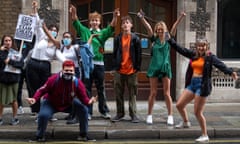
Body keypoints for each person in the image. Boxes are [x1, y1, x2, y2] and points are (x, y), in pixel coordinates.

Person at [167, 36, 238, 143]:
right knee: (179, 105)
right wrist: (170, 40)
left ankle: (205, 135)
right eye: (199, 46)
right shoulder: (193, 54)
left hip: (202, 85)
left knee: (197, 112)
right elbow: (180, 49)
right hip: (192, 84)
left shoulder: (210, 57)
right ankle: (186, 122)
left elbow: (221, 65)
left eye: (203, 46)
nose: (201, 48)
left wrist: (230, 72)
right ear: (196, 47)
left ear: (206, 46)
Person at [26, 60, 97, 142]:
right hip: (51, 103)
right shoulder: (53, 79)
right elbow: (42, 90)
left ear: (74, 71)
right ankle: (39, 136)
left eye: (71, 71)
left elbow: (83, 98)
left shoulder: (77, 82)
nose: (68, 72)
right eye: (66, 70)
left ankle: (83, 135)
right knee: (43, 115)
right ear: (62, 70)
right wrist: (34, 98)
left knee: (84, 110)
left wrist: (89, 102)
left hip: (68, 104)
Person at [69, 5, 120, 120]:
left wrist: (114, 17)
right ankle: (88, 111)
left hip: (99, 64)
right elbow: (76, 22)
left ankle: (104, 110)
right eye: (92, 20)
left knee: (101, 88)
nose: (94, 22)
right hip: (87, 65)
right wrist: (74, 12)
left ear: (99, 22)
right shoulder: (85, 31)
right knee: (86, 88)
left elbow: (112, 26)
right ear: (90, 22)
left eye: (96, 20)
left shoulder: (103, 33)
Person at [26, 1, 66, 115]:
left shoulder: (57, 45)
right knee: (33, 88)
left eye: (55, 31)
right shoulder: (41, 37)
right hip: (33, 64)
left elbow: (60, 57)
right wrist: (35, 9)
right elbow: (38, 23)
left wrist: (68, 63)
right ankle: (36, 111)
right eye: (51, 30)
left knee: (46, 88)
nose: (53, 32)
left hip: (44, 66)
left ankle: (47, 109)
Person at [137, 9, 174, 125]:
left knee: (167, 93)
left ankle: (170, 115)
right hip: (154, 67)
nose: (159, 31)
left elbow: (174, 28)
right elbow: (148, 28)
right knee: (153, 93)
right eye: (158, 30)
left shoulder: (168, 39)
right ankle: (149, 115)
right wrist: (142, 18)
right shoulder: (154, 39)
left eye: (161, 29)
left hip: (165, 68)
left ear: (165, 30)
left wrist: (181, 17)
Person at [111, 15, 142, 123]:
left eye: (127, 22)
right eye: (123, 23)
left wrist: (137, 68)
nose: (125, 24)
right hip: (119, 70)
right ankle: (120, 114)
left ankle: (133, 114)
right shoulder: (117, 38)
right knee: (118, 93)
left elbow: (139, 55)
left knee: (132, 94)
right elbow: (114, 54)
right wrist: (115, 67)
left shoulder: (136, 39)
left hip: (132, 71)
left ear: (131, 25)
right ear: (121, 26)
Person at [0, 35, 24, 125]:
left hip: (13, 79)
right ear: (3, 42)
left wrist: (10, 62)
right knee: (1, 100)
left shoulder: (17, 53)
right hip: (2, 78)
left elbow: (21, 64)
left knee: (14, 100)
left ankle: (15, 118)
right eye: (5, 40)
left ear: (12, 42)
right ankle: (0, 118)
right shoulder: (1, 52)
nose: (7, 42)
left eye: (9, 40)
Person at [15, 38, 35, 115]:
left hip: (29, 67)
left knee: (31, 87)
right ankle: (19, 106)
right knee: (18, 87)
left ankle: (33, 107)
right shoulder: (17, 39)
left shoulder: (33, 38)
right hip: (19, 67)